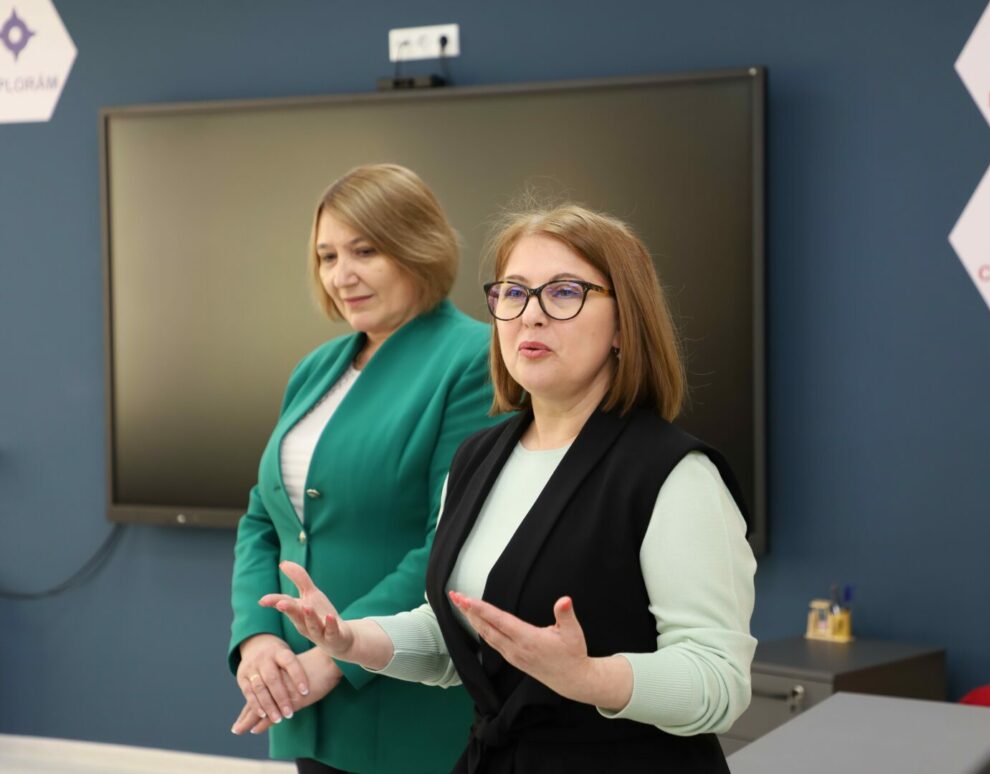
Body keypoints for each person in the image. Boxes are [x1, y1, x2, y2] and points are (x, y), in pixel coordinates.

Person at [259, 204, 757, 773]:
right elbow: (459, 636)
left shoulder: (676, 474)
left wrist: (590, 677)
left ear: (625, 324)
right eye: (514, 293)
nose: (531, 315)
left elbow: (719, 681)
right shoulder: (478, 458)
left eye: (564, 292)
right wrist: (352, 641)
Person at [228, 164, 502, 774]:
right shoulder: (316, 368)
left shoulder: (475, 359)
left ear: (419, 247)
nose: (341, 275)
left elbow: (451, 541)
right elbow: (264, 518)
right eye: (327, 256)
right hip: (303, 695)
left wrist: (335, 657)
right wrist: (258, 638)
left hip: (401, 698)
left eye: (365, 251)